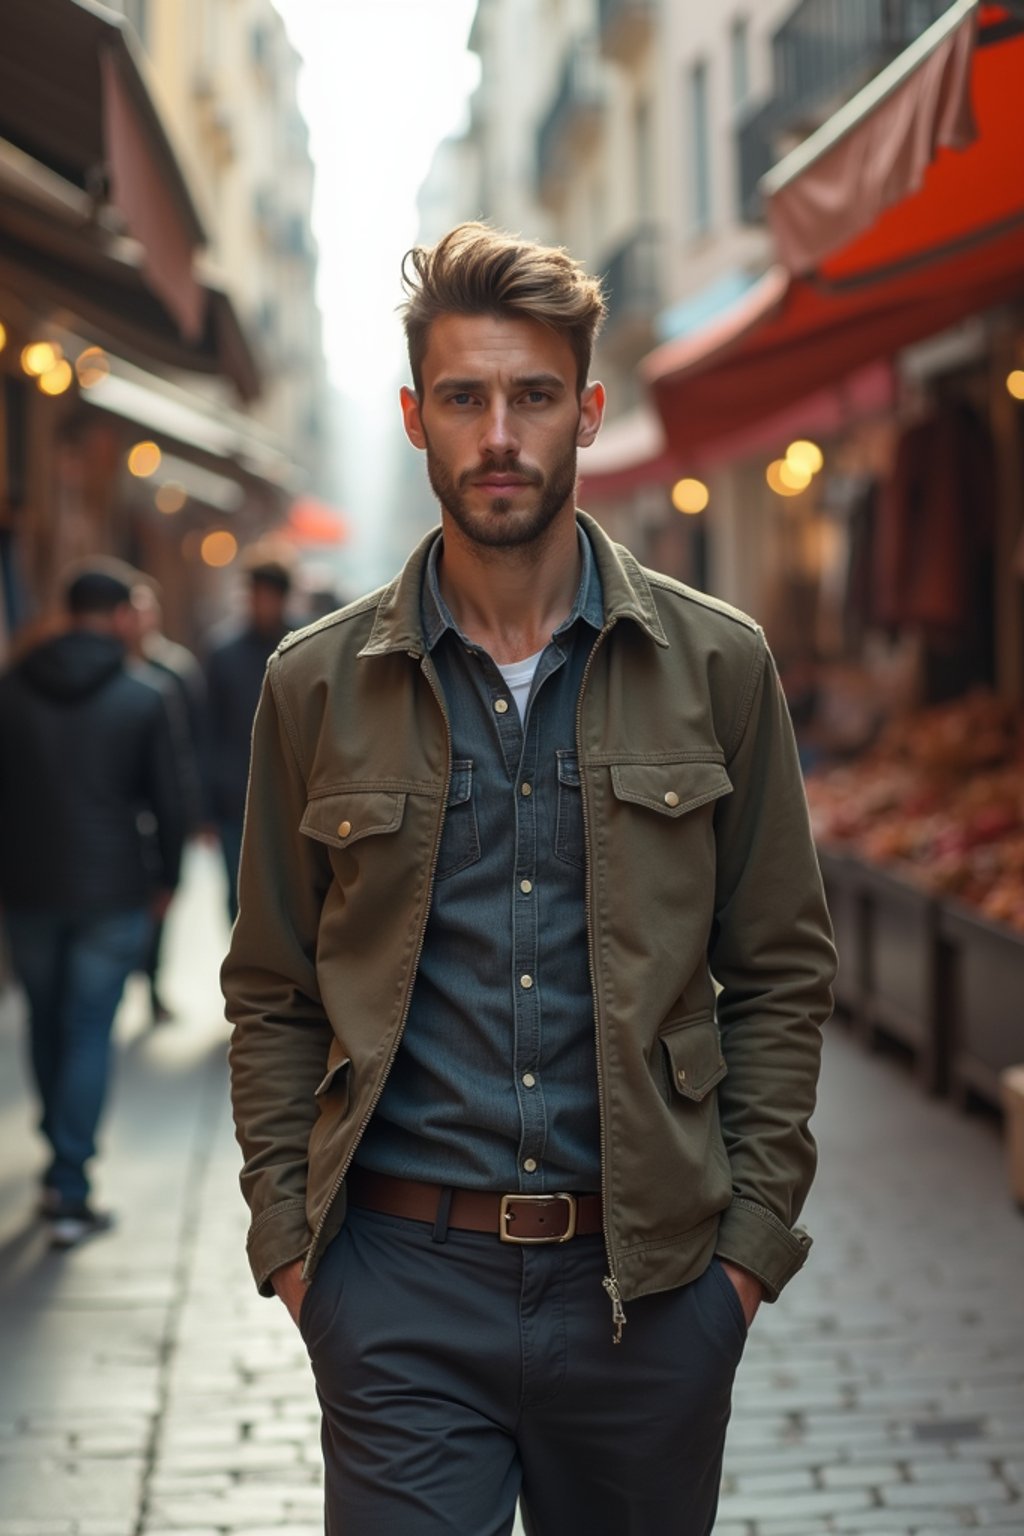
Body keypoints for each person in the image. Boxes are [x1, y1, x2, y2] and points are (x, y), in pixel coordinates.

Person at [224, 224, 836, 1536]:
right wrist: (295, 1251)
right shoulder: (313, 686)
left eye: (533, 396)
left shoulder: (719, 666)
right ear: (414, 418)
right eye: (464, 397)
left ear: (588, 413)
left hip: (655, 1295)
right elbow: (271, 985)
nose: (499, 433)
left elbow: (782, 968)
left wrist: (746, 1261)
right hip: (398, 1293)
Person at [0, 560, 187, 1247]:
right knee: (86, 1032)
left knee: (46, 1024)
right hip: (111, 891)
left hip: (27, 888)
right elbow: (169, 797)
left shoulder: (13, 689)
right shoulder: (143, 694)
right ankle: (71, 1185)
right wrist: (168, 878)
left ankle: (59, 1158)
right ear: (115, 617)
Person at [130, 577, 207, 1023]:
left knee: (161, 901)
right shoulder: (114, 669)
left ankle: (153, 983)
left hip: (165, 804)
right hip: (126, 807)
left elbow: (195, 743)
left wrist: (195, 812)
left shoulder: (176, 668)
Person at [204, 547, 294, 923]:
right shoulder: (222, 652)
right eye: (256, 594)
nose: (262, 604)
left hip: (292, 795)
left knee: (289, 894)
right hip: (233, 797)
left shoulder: (304, 646)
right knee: (237, 894)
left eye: (270, 596)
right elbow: (205, 730)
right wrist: (205, 807)